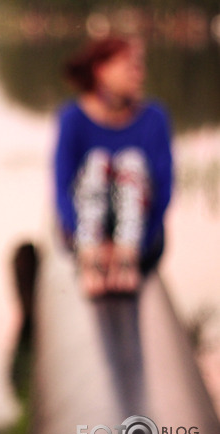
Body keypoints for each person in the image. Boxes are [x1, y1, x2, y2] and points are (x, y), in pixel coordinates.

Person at [53, 36, 173, 298]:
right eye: (130, 66)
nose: (139, 74)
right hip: (85, 238)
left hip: (138, 241)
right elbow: (62, 188)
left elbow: (164, 191)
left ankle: (125, 262)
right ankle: (91, 261)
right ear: (102, 70)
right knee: (97, 163)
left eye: (141, 66)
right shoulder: (72, 118)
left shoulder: (154, 117)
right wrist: (91, 243)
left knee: (132, 163)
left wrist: (133, 245)